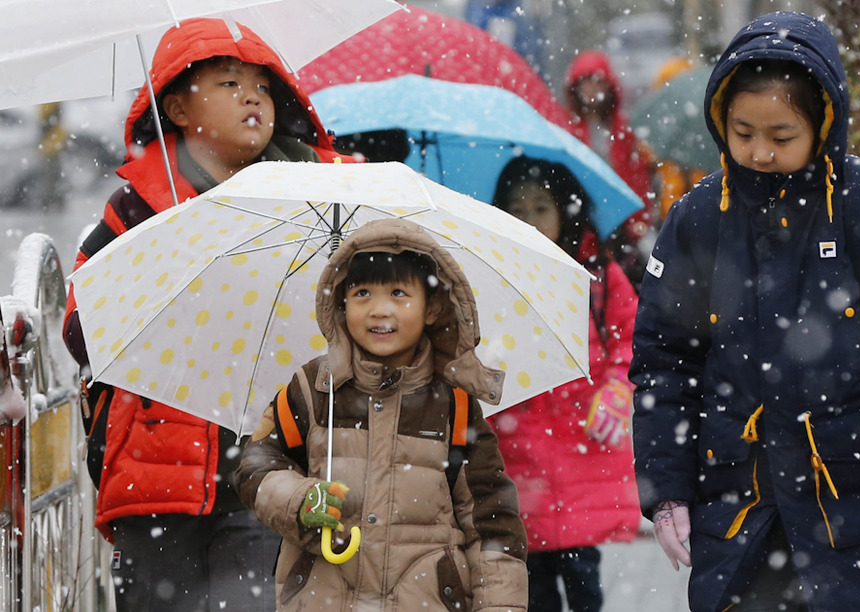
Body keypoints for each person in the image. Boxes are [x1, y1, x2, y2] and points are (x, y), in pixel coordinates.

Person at [629, 11, 860, 611]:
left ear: (823, 123)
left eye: (781, 135)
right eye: (742, 132)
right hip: (743, 522)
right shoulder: (699, 219)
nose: (759, 151)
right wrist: (667, 492)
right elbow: (664, 366)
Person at [61, 18, 351, 611]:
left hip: (268, 470)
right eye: (226, 83)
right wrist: (167, 267)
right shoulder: (140, 206)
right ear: (176, 107)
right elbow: (82, 326)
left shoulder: (313, 199)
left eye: (263, 88)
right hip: (156, 473)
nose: (251, 97)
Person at [232, 218, 529, 611]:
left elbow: (491, 520)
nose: (379, 309)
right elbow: (255, 465)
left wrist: (499, 606)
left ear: (432, 307)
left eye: (399, 293)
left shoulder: (454, 403)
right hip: (325, 598)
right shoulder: (314, 388)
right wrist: (299, 500)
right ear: (341, 305)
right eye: (362, 293)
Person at [488, 156, 641, 611]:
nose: (529, 220)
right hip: (519, 450)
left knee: (581, 573)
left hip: (583, 442)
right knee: (532, 583)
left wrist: (617, 388)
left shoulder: (598, 276)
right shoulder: (493, 274)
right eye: (518, 209)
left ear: (564, 212)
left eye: (541, 208)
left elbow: (630, 341)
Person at [564, 50, 656, 288]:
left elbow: (635, 176)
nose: (592, 90)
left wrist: (640, 217)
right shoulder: (569, 127)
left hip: (619, 221)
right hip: (584, 219)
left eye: (597, 83)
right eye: (586, 83)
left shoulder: (621, 129)